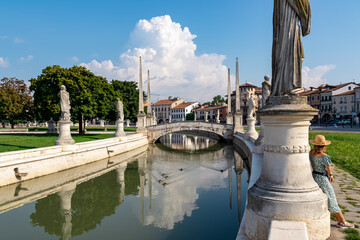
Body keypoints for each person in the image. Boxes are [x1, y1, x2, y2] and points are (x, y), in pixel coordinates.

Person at [309, 135, 354, 229]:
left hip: (314, 176)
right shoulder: (325, 157)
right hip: (322, 178)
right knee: (332, 199)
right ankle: (343, 222)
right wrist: (331, 175)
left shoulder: (311, 153)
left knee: (329, 199)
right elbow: (328, 170)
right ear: (324, 146)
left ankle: (340, 220)